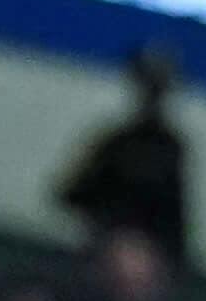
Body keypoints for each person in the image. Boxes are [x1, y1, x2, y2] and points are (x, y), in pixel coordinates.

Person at [52, 55, 187, 263]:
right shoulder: (117, 143)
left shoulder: (171, 150)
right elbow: (71, 194)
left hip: (146, 258)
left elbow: (176, 222)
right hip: (104, 248)